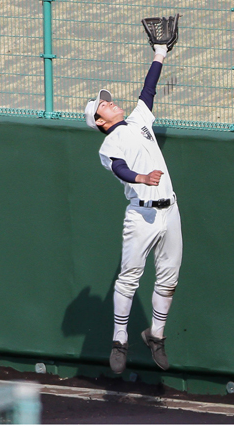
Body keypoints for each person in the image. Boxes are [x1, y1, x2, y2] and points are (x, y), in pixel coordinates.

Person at [83, 43, 183, 375]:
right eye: (103, 104)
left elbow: (149, 89)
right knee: (129, 279)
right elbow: (121, 170)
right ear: (99, 120)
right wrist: (142, 177)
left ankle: (156, 335)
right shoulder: (108, 144)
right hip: (141, 214)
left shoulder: (139, 119)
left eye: (107, 98)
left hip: (170, 211)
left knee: (168, 278)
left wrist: (159, 53)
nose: (109, 101)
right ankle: (120, 340)